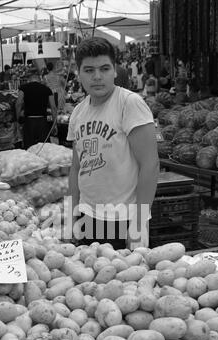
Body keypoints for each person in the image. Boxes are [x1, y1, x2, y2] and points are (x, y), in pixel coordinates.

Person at [66, 37, 159, 250]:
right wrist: (71, 214)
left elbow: (150, 165)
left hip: (123, 219)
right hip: (87, 215)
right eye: (89, 70)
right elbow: (76, 168)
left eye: (104, 68)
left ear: (115, 70)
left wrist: (139, 223)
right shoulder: (78, 112)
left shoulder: (129, 103)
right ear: (78, 73)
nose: (97, 77)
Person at [16, 70, 57, 150]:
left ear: (29, 80)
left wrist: (17, 119)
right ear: (40, 80)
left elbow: (18, 103)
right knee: (43, 148)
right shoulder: (47, 89)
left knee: (29, 148)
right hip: (42, 122)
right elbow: (53, 107)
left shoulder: (23, 88)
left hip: (29, 122)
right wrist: (54, 124)